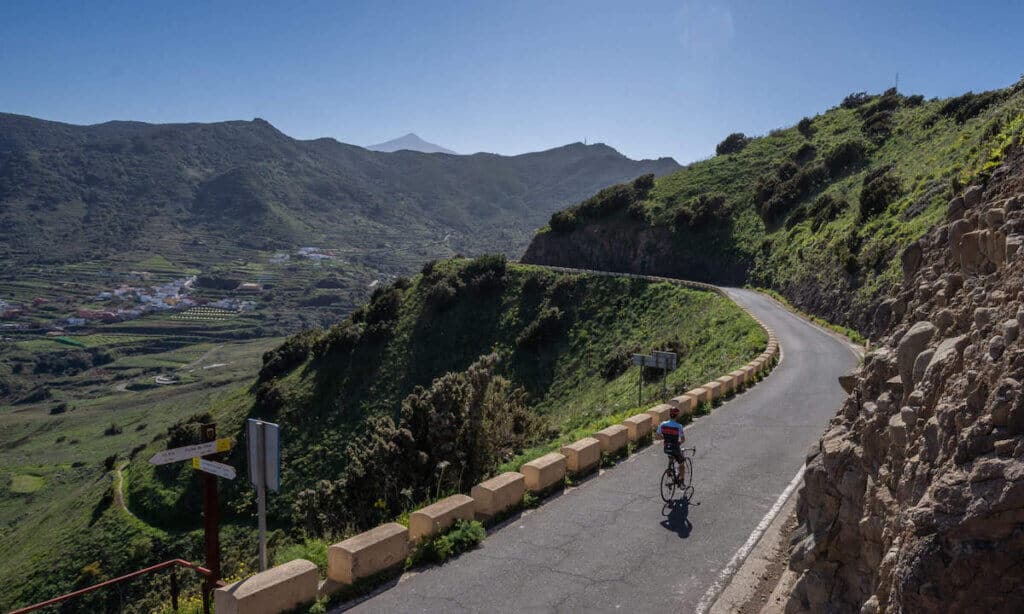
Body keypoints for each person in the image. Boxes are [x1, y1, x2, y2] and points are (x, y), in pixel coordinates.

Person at [656, 406, 687, 484]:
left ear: (670, 415)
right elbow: (683, 439)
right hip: (675, 448)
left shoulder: (663, 424)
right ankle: (682, 481)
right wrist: (679, 443)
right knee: (682, 464)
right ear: (677, 415)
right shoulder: (678, 426)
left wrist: (665, 439)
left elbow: (657, 436)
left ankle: (669, 469)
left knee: (670, 455)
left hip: (666, 447)